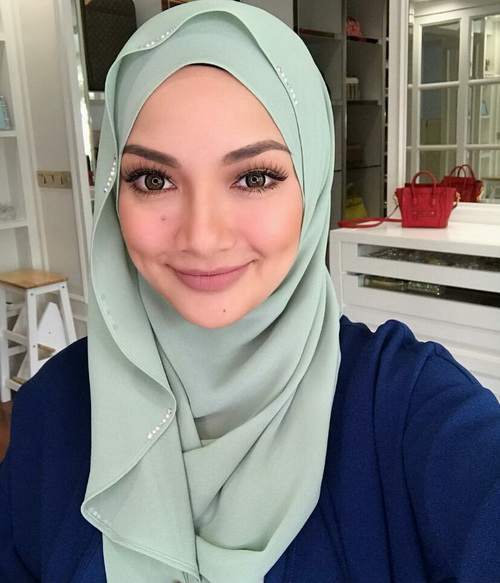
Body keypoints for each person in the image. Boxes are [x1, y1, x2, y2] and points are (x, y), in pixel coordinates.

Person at [1, 1, 500, 582]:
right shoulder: (51, 414)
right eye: (154, 179)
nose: (202, 237)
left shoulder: (406, 406)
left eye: (254, 177)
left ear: (311, 187)